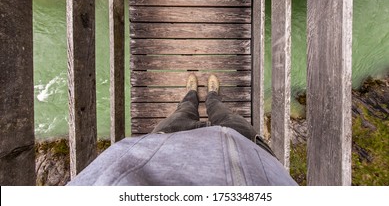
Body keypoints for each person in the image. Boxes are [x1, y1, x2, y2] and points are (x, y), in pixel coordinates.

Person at [67, 74, 297, 186]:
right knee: (222, 113)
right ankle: (212, 96)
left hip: (166, 143)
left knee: (184, 110)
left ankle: (193, 94)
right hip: (242, 146)